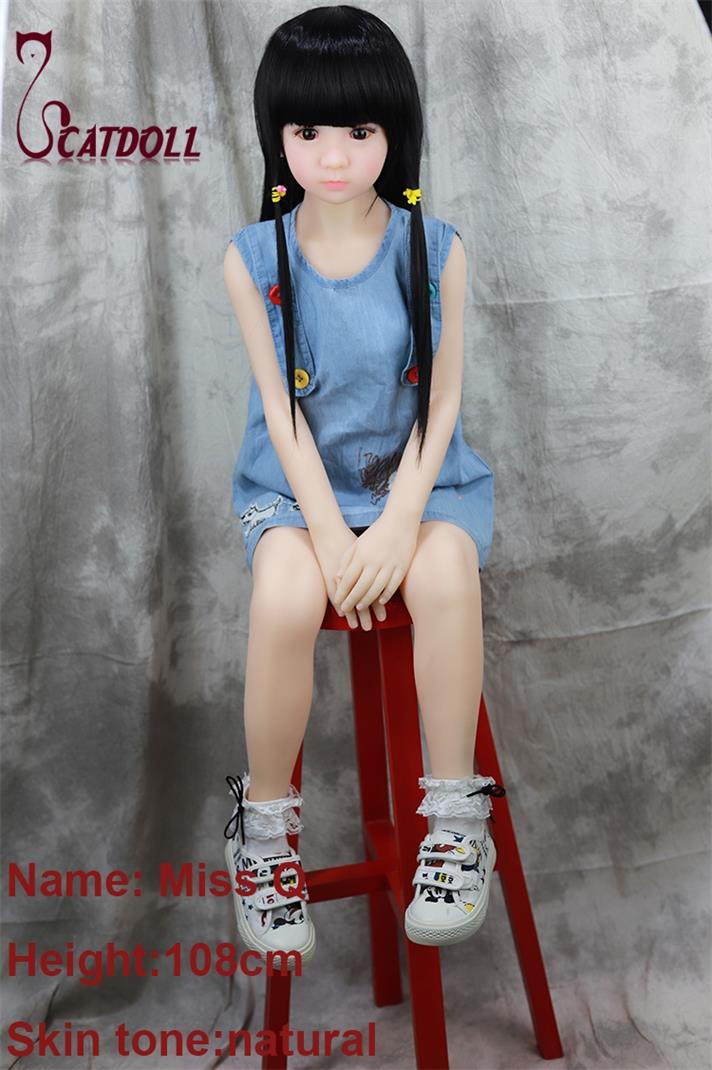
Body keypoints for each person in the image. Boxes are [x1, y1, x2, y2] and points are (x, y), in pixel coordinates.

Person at [221, 4, 506, 967]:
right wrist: (333, 536)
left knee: (443, 573)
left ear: (396, 132)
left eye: (360, 129)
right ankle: (263, 833)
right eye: (307, 131)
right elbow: (281, 413)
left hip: (419, 481)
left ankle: (457, 822)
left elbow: (444, 399)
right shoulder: (252, 258)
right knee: (285, 592)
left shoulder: (437, 249)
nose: (334, 157)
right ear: (277, 137)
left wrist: (395, 525)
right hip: (297, 489)